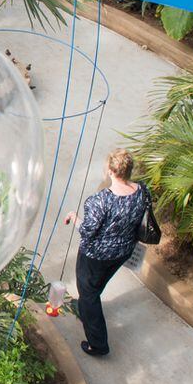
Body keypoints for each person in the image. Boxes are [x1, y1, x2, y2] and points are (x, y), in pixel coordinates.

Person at [63, 149, 152, 357]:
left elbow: (87, 231)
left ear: (111, 171)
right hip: (123, 251)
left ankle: (98, 343)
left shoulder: (100, 201)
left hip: (96, 255)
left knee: (89, 292)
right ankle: (86, 307)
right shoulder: (142, 190)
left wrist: (74, 217)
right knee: (96, 286)